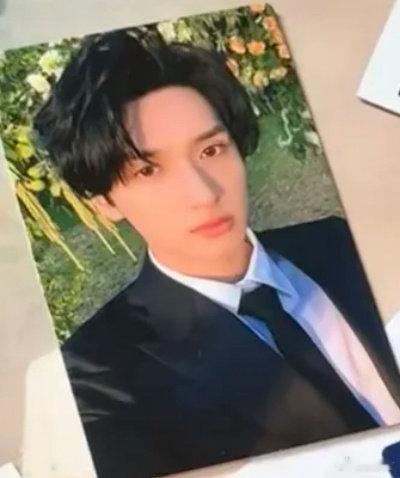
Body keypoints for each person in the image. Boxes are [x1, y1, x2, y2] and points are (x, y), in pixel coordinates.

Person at [33, 29, 400, 478]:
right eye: (147, 170)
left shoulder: (340, 240)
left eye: (211, 150)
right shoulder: (96, 378)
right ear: (105, 201)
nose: (203, 193)